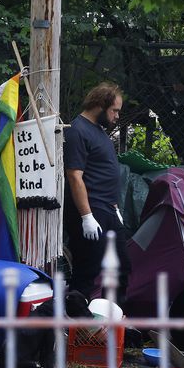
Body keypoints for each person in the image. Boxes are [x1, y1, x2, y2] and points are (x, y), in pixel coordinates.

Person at [63, 82, 131, 305]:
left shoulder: (98, 131)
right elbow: (75, 176)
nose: (117, 116)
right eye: (114, 110)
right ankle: (75, 329)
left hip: (109, 210)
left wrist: (116, 209)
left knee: (120, 269)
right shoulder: (77, 130)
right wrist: (86, 216)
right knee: (87, 272)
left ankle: (110, 322)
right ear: (100, 105)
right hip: (92, 212)